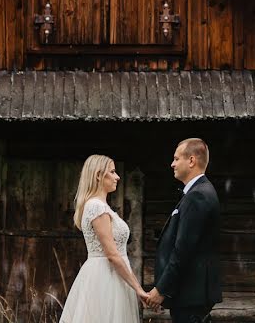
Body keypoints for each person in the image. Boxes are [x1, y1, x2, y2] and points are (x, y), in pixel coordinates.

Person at [60, 154, 148, 322]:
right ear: (99, 175)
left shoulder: (101, 206)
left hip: (113, 276)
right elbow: (112, 255)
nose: (117, 176)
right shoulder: (96, 207)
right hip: (105, 277)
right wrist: (138, 289)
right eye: (113, 172)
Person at [144, 138, 222, 323]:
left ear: (192, 161)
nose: (172, 164)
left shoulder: (198, 195)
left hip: (191, 294)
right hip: (191, 294)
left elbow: (183, 250)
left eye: (176, 158)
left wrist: (162, 289)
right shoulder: (198, 192)